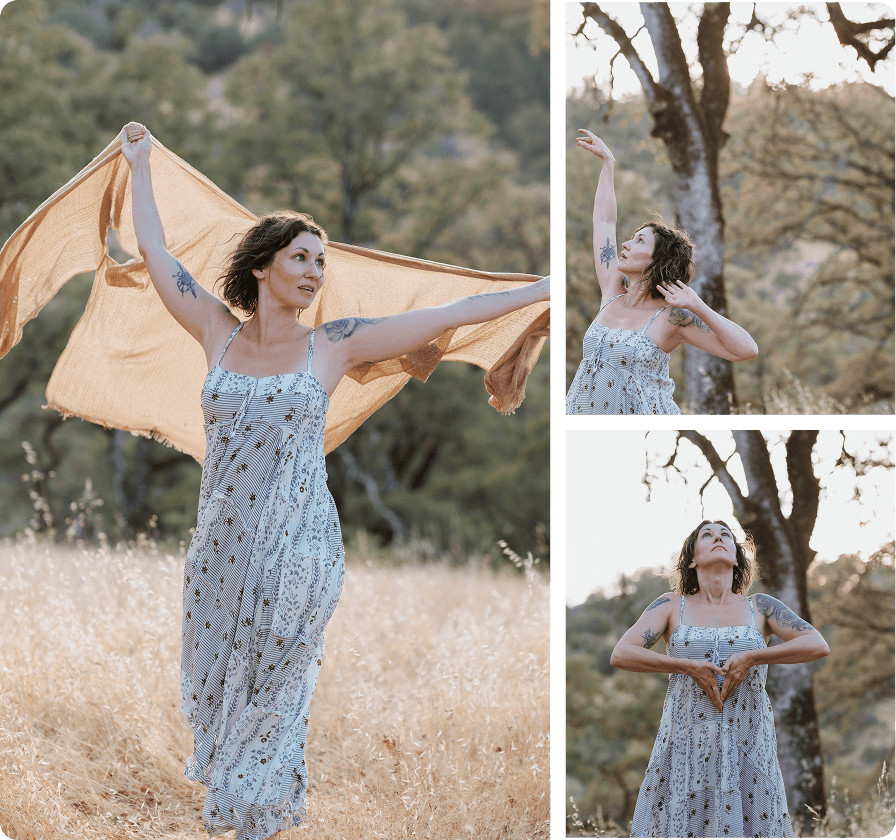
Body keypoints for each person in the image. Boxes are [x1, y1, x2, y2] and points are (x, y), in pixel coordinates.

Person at [118, 121, 549, 840]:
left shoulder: (334, 345)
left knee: (278, 690)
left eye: (321, 260)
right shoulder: (215, 333)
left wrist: (536, 289)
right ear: (262, 268)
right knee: (218, 684)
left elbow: (445, 316)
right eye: (300, 257)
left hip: (298, 543)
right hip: (220, 546)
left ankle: (259, 820)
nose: (316, 270)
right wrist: (139, 165)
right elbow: (155, 253)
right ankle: (241, 810)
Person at [610, 520, 830, 837]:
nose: (718, 538)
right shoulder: (671, 605)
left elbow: (817, 644)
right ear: (691, 559)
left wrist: (754, 656)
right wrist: (686, 665)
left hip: (749, 743)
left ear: (738, 558)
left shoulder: (761, 607)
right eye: (708, 535)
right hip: (685, 744)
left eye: (726, 535)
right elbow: (622, 653)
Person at [565, 130, 758, 415]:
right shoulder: (612, 292)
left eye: (639, 241)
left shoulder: (673, 318)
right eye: (632, 237)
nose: (626, 243)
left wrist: (697, 305)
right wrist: (608, 163)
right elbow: (604, 223)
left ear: (657, 261)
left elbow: (746, 350)